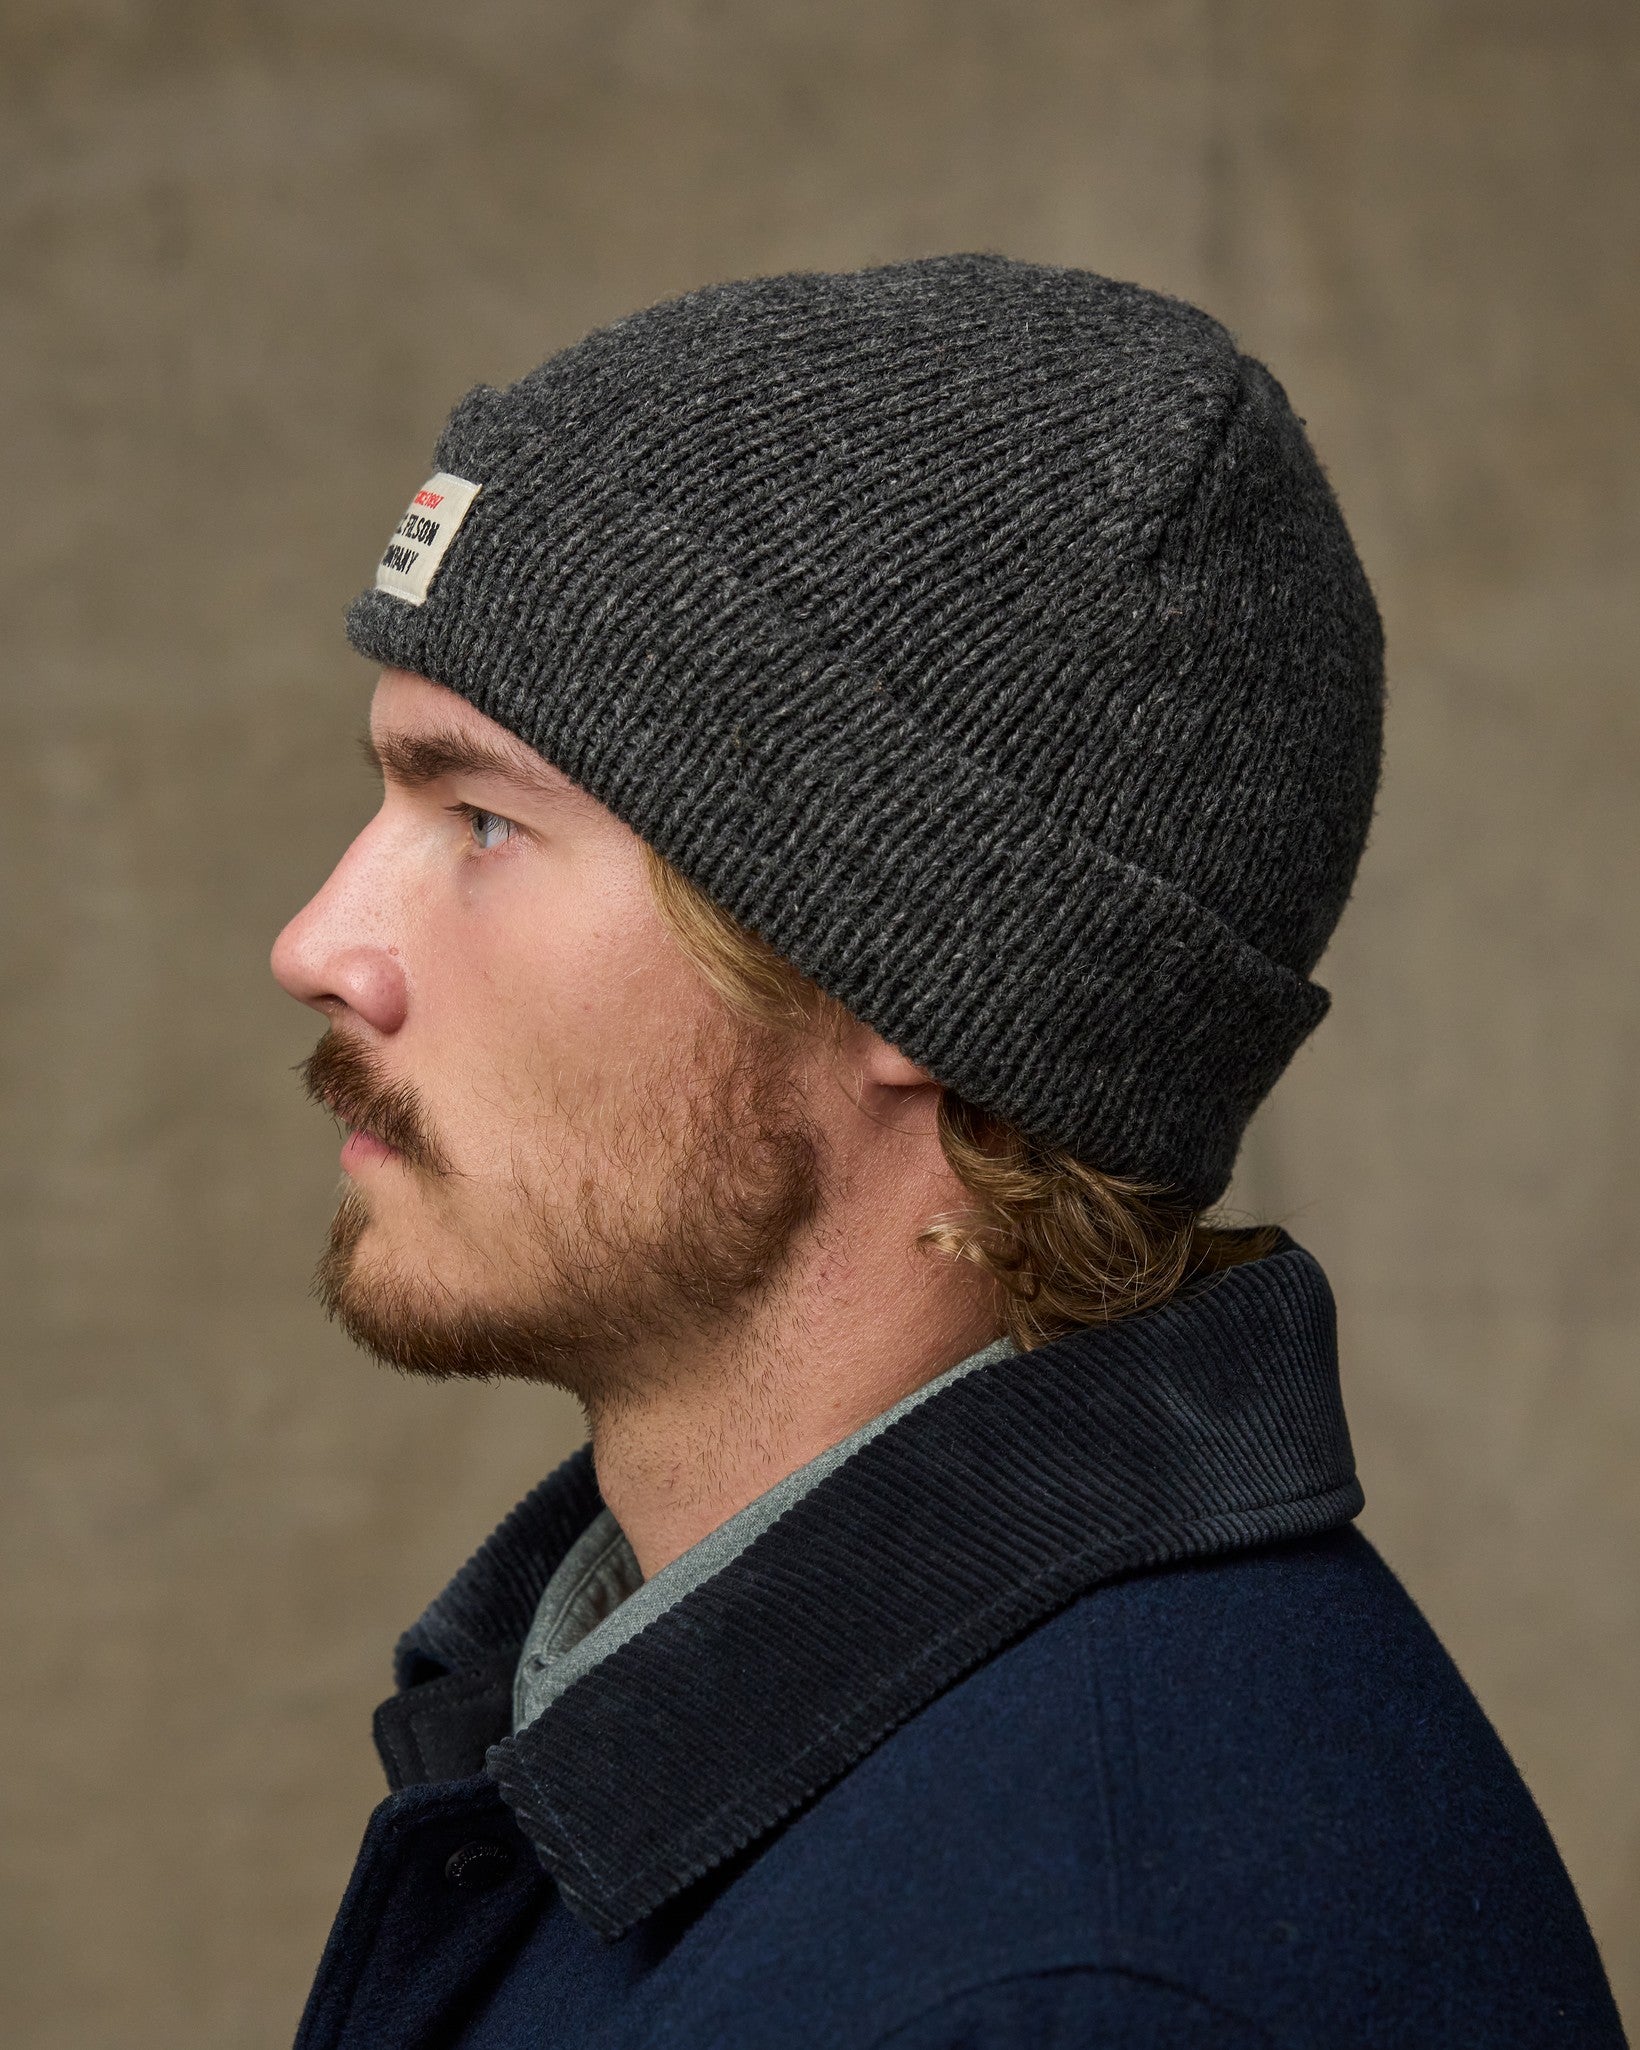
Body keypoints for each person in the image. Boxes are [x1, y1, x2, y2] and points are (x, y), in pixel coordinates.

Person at [271, 256, 1624, 2049]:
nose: (319, 944)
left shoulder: (1069, 1991)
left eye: (483, 818)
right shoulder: (673, 1728)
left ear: (920, 965)